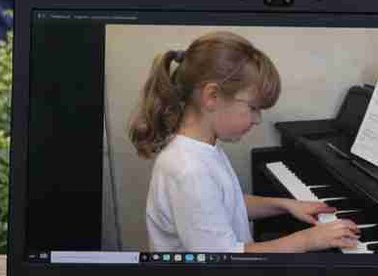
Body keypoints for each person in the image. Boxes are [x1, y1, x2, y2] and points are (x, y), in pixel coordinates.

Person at [131, 31, 362, 254]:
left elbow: (227, 204)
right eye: (253, 108)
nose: (257, 119)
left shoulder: (201, 148)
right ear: (212, 96)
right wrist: (307, 240)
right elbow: (224, 260)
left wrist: (285, 205)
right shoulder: (188, 170)